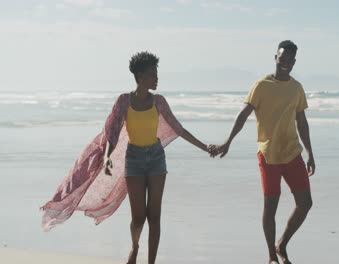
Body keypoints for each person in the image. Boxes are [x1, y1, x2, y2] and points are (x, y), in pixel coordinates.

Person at [41, 51, 214, 264]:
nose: (156, 78)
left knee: (155, 216)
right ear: (140, 76)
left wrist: (205, 147)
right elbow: (111, 133)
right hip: (134, 160)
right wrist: (106, 158)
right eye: (152, 74)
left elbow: (178, 128)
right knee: (139, 217)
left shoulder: (159, 101)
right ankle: (134, 247)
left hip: (156, 159)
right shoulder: (124, 101)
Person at [210, 40, 316, 264]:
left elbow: (301, 121)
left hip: (292, 153)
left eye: (290, 59)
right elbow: (243, 115)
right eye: (282, 57)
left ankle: (282, 245)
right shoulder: (261, 85)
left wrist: (310, 152)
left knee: (305, 203)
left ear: (294, 62)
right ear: (275, 57)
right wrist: (228, 141)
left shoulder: (296, 88)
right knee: (271, 206)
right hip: (268, 155)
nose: (285, 62)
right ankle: (271, 257)